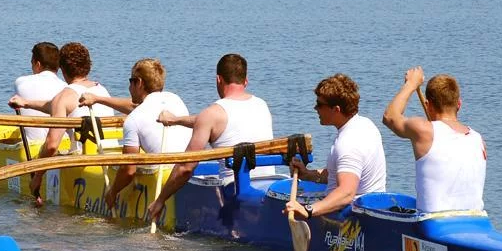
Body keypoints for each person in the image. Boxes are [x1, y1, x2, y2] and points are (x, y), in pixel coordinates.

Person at [146, 53, 273, 222]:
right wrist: (176, 120)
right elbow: (211, 122)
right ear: (246, 81)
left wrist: (160, 200)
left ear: (218, 80)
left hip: (234, 191)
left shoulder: (212, 114)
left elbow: (186, 168)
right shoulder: (261, 105)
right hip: (272, 181)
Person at [80, 58, 192, 210]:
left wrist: (112, 192)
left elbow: (128, 171)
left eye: (130, 81)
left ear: (139, 82)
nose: (128, 87)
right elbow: (134, 106)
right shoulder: (174, 99)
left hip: (164, 176)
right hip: (188, 169)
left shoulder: (134, 119)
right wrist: (97, 99)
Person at [9, 42, 114, 201]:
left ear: (62, 68)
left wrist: (38, 176)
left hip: (84, 164)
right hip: (110, 157)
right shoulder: (101, 90)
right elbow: (54, 105)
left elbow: (52, 145)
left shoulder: (64, 96)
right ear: (88, 66)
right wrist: (26, 103)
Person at [283, 73, 387, 221]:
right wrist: (308, 174)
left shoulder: (348, 143)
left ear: (336, 109)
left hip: (350, 217)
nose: (315, 108)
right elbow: (342, 173)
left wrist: (308, 211)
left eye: (320, 104)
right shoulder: (366, 124)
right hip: (371, 208)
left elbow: (346, 193)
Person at [381, 67, 486, 213]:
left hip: (435, 222)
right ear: (459, 104)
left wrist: (411, 84)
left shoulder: (424, 131)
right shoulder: (478, 140)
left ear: (428, 105)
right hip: (477, 221)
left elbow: (389, 117)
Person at [8, 42, 66, 144]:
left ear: (37, 64)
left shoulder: (20, 82)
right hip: (60, 144)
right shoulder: (66, 88)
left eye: (32, 63)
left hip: (30, 145)